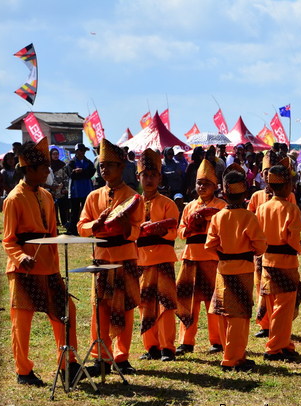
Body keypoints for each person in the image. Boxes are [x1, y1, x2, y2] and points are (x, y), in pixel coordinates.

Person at [2, 137, 80, 386]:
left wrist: (55, 264)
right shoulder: (13, 199)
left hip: (49, 268)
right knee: (22, 322)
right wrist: (21, 257)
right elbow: (8, 239)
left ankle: (68, 363)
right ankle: (23, 371)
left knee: (66, 313)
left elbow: (53, 235)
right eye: (44, 167)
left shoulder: (47, 196)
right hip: (23, 269)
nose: (48, 171)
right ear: (30, 170)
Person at [77, 138, 144, 376]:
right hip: (101, 257)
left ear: (121, 167)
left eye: (110, 165)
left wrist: (125, 225)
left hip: (125, 256)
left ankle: (122, 356)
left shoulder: (134, 196)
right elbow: (81, 226)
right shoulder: (93, 196)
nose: (105, 170)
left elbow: (138, 230)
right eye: (102, 166)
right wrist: (98, 222)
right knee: (100, 307)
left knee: (125, 307)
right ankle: (101, 357)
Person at [205, 167, 267, 371]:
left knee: (224, 313)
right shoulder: (249, 217)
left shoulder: (217, 217)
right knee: (239, 316)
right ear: (245, 194)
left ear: (224, 193)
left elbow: (209, 245)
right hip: (242, 270)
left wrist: (223, 256)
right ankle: (232, 359)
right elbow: (260, 247)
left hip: (223, 270)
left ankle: (232, 354)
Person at [175, 159, 226, 356]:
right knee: (188, 300)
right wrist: (189, 227)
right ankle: (185, 342)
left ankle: (217, 340)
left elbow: (224, 230)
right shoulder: (189, 207)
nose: (202, 187)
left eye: (206, 184)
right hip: (190, 257)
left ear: (215, 187)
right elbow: (180, 232)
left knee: (213, 301)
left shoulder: (221, 206)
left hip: (211, 258)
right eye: (199, 183)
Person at [257, 161, 301, 362]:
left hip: (267, 261)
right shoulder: (291, 209)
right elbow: (292, 239)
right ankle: (274, 348)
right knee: (283, 309)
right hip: (286, 263)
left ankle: (284, 344)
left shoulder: (262, 208)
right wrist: (298, 247)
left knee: (273, 304)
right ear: (286, 186)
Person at [135, 149, 180, 362]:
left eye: (153, 175)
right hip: (140, 259)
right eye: (146, 175)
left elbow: (173, 232)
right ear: (139, 177)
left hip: (162, 258)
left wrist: (158, 229)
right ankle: (151, 346)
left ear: (160, 178)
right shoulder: (132, 204)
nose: (150, 179)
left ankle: (167, 348)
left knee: (166, 303)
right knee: (145, 303)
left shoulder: (168, 203)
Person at [248, 150, 296, 339]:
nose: (269, 175)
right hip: (261, 250)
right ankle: (265, 324)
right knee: (262, 287)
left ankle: (278, 325)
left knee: (279, 291)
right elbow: (248, 220)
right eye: (266, 171)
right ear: (262, 175)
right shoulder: (256, 197)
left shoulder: (288, 198)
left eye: (272, 171)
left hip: (281, 252)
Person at [67, 143, 95, 235]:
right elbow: (72, 175)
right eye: (81, 150)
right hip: (75, 191)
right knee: (74, 212)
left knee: (86, 212)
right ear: (76, 151)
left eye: (84, 151)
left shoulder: (89, 162)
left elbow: (91, 173)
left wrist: (81, 171)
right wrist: (83, 173)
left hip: (86, 190)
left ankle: (87, 230)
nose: (82, 152)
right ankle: (73, 230)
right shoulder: (71, 163)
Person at [49, 146, 69, 231]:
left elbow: (66, 177)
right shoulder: (48, 165)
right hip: (50, 189)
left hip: (60, 189)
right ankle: (54, 223)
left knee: (62, 207)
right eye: (54, 154)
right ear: (50, 155)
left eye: (57, 154)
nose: (55, 155)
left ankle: (64, 222)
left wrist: (65, 188)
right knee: (52, 207)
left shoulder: (62, 165)